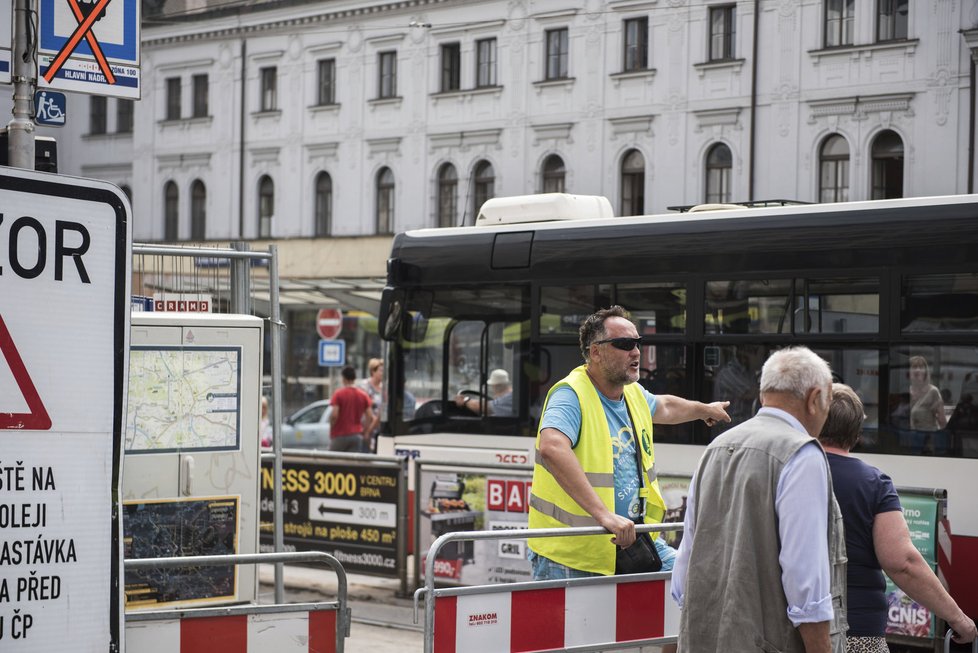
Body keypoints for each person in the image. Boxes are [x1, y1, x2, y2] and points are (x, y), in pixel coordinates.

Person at [527, 305, 731, 582]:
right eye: (624, 344)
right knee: (583, 627)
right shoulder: (570, 394)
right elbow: (551, 447)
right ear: (595, 352)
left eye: (637, 343)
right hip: (573, 553)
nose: (635, 352)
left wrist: (704, 409)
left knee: (697, 579)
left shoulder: (632, 393)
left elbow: (665, 407)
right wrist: (605, 516)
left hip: (632, 542)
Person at [671, 346, 847, 653]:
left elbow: (685, 563)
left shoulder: (716, 447)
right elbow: (805, 578)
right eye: (829, 402)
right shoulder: (802, 453)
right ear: (814, 398)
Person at [818, 383, 977, 651]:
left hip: (793, 629)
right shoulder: (873, 483)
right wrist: (957, 618)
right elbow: (903, 563)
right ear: (857, 433)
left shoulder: (786, 473)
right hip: (857, 634)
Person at [328, 365, 375, 452]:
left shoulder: (338, 394)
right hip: (356, 435)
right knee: (351, 464)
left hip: (339, 435)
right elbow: (370, 416)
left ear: (344, 378)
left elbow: (334, 415)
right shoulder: (363, 395)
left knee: (333, 462)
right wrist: (365, 431)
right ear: (354, 378)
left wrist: (331, 428)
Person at [359, 358, 386, 446]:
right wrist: (370, 427)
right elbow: (363, 408)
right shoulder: (364, 386)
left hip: (379, 428)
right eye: (381, 371)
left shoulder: (384, 388)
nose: (383, 373)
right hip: (365, 427)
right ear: (373, 371)